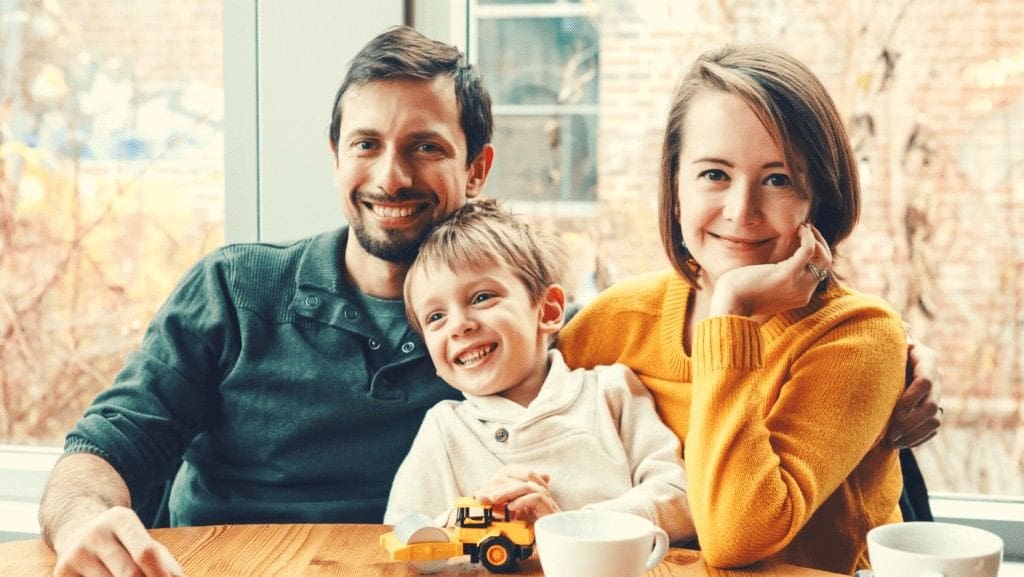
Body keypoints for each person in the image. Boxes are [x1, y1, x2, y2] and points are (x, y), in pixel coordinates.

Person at [37, 25, 940, 577]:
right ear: (336, 157)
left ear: (477, 167)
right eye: (365, 144)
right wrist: (87, 518)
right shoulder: (233, 291)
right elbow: (107, 445)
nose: (390, 174)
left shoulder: (529, 332)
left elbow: (651, 431)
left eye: (426, 146)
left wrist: (881, 417)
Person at [558, 45, 915, 575]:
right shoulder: (615, 321)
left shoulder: (857, 337)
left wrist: (731, 312)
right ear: (676, 189)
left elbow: (735, 537)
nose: (741, 211)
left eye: (778, 179)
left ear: (819, 199)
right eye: (714, 175)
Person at [383, 199, 695, 543]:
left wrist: (575, 527)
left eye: (482, 297)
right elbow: (402, 532)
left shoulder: (611, 392)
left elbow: (678, 495)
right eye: (435, 317)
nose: (458, 325)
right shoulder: (444, 429)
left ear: (547, 310)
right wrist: (475, 515)